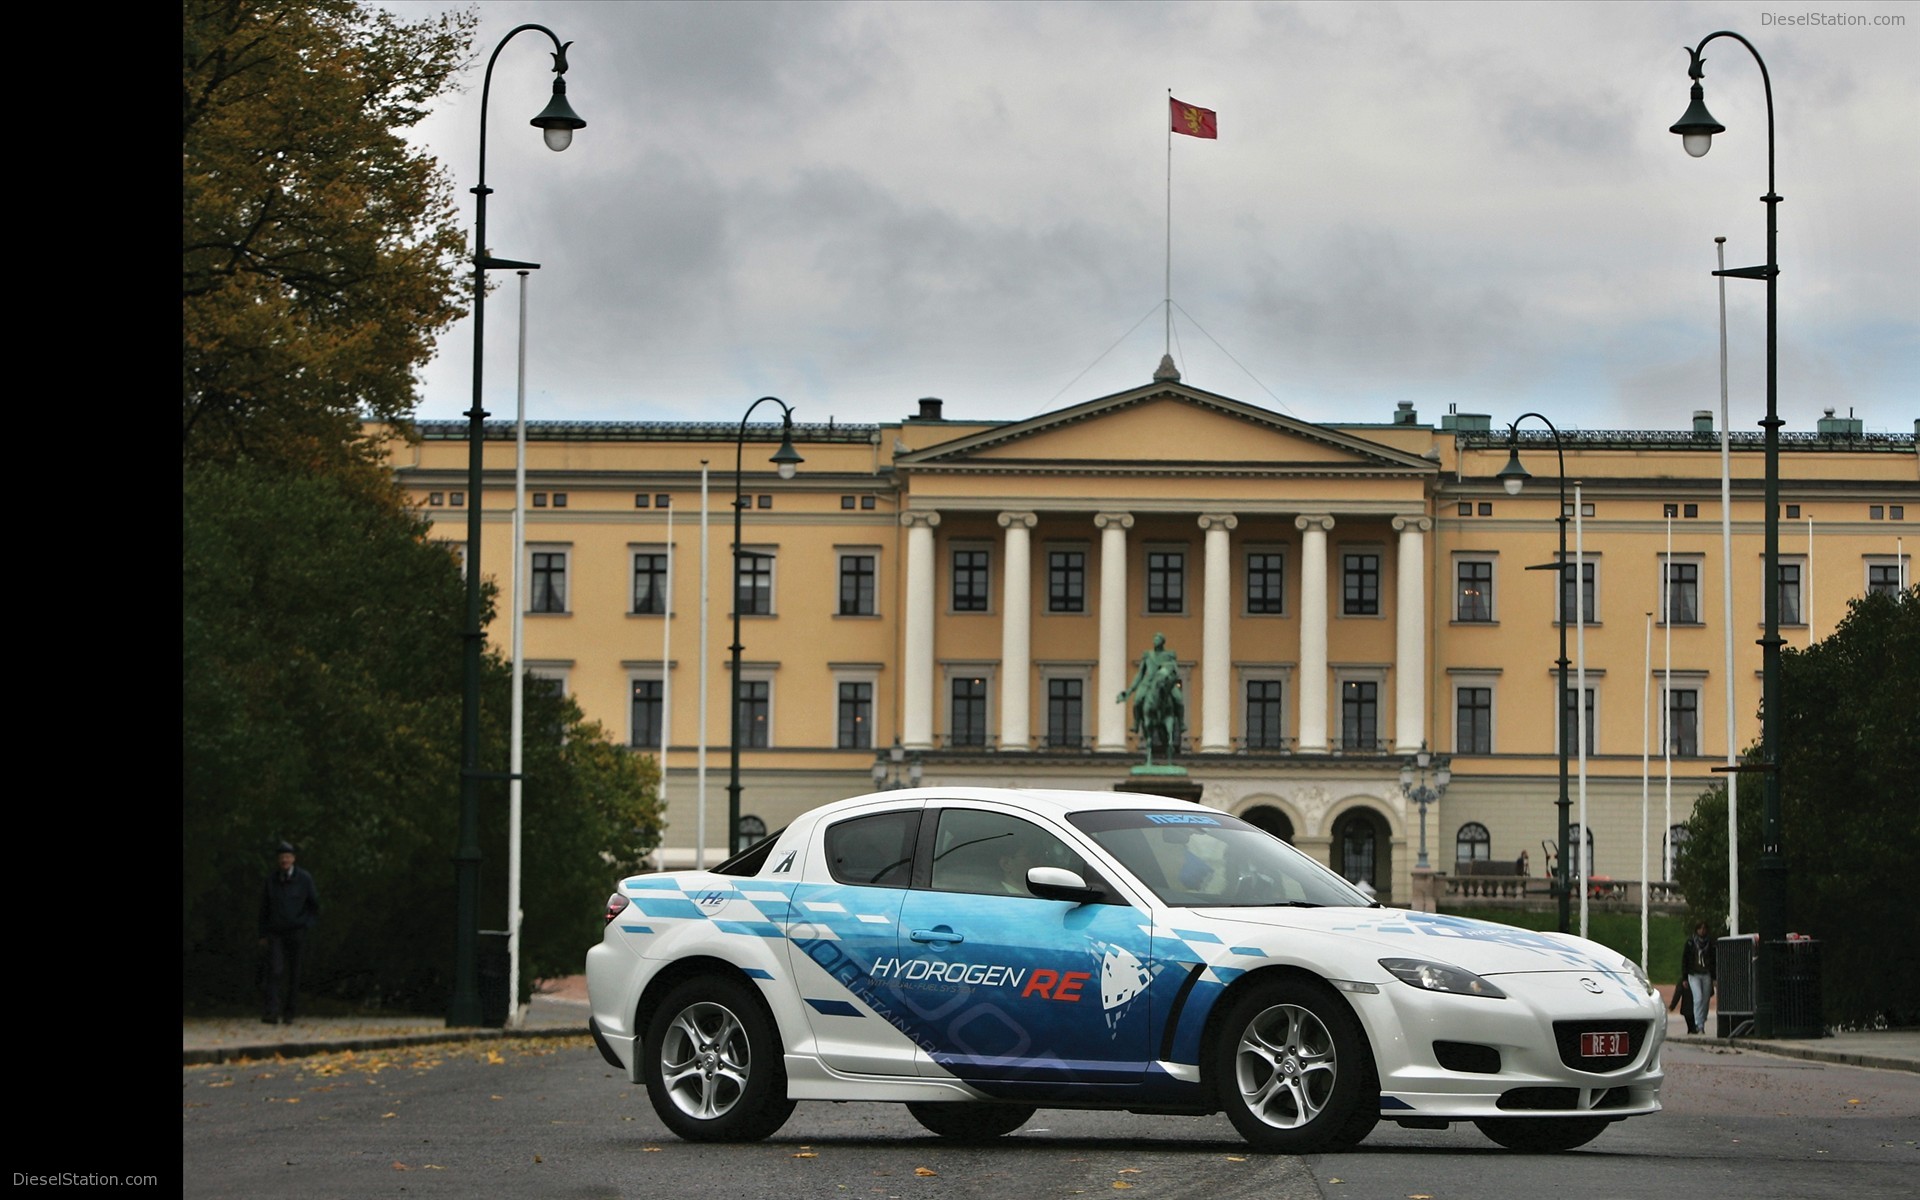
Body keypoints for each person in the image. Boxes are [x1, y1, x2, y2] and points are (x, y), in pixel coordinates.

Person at [259, 840, 320, 1024]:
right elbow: (264, 908)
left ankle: (289, 1012)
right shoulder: (271, 880)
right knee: (275, 970)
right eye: (281, 858)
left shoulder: (304, 879)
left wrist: (306, 925)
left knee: (294, 972)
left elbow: (314, 905)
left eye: (287, 857)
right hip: (276, 931)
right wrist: (262, 933)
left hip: (296, 931)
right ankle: (272, 1011)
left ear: (293, 859)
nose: (284, 861)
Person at [1681, 920, 1717, 1035]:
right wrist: (1685, 977)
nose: (1702, 931)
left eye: (1704, 928)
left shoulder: (1710, 943)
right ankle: (1699, 1025)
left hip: (1706, 974)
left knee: (1705, 1000)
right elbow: (1685, 960)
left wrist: (1714, 977)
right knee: (1698, 998)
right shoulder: (1691, 943)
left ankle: (1702, 1019)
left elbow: (1714, 960)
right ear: (1696, 930)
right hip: (1694, 974)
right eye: (1700, 928)